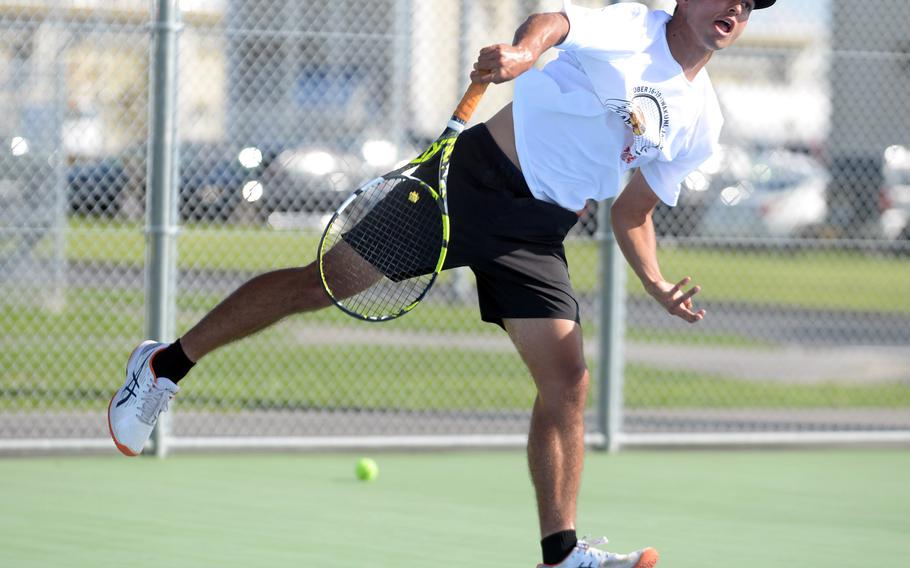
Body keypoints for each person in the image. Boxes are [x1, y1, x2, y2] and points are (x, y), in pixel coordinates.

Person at [107, 1, 775, 566]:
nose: (736, 9)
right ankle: (164, 364)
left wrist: (656, 281)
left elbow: (635, 211)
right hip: (468, 182)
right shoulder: (636, 24)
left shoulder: (703, 121)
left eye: (750, 4)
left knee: (567, 382)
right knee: (326, 284)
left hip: (535, 234)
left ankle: (563, 553)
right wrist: (519, 55)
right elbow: (554, 22)